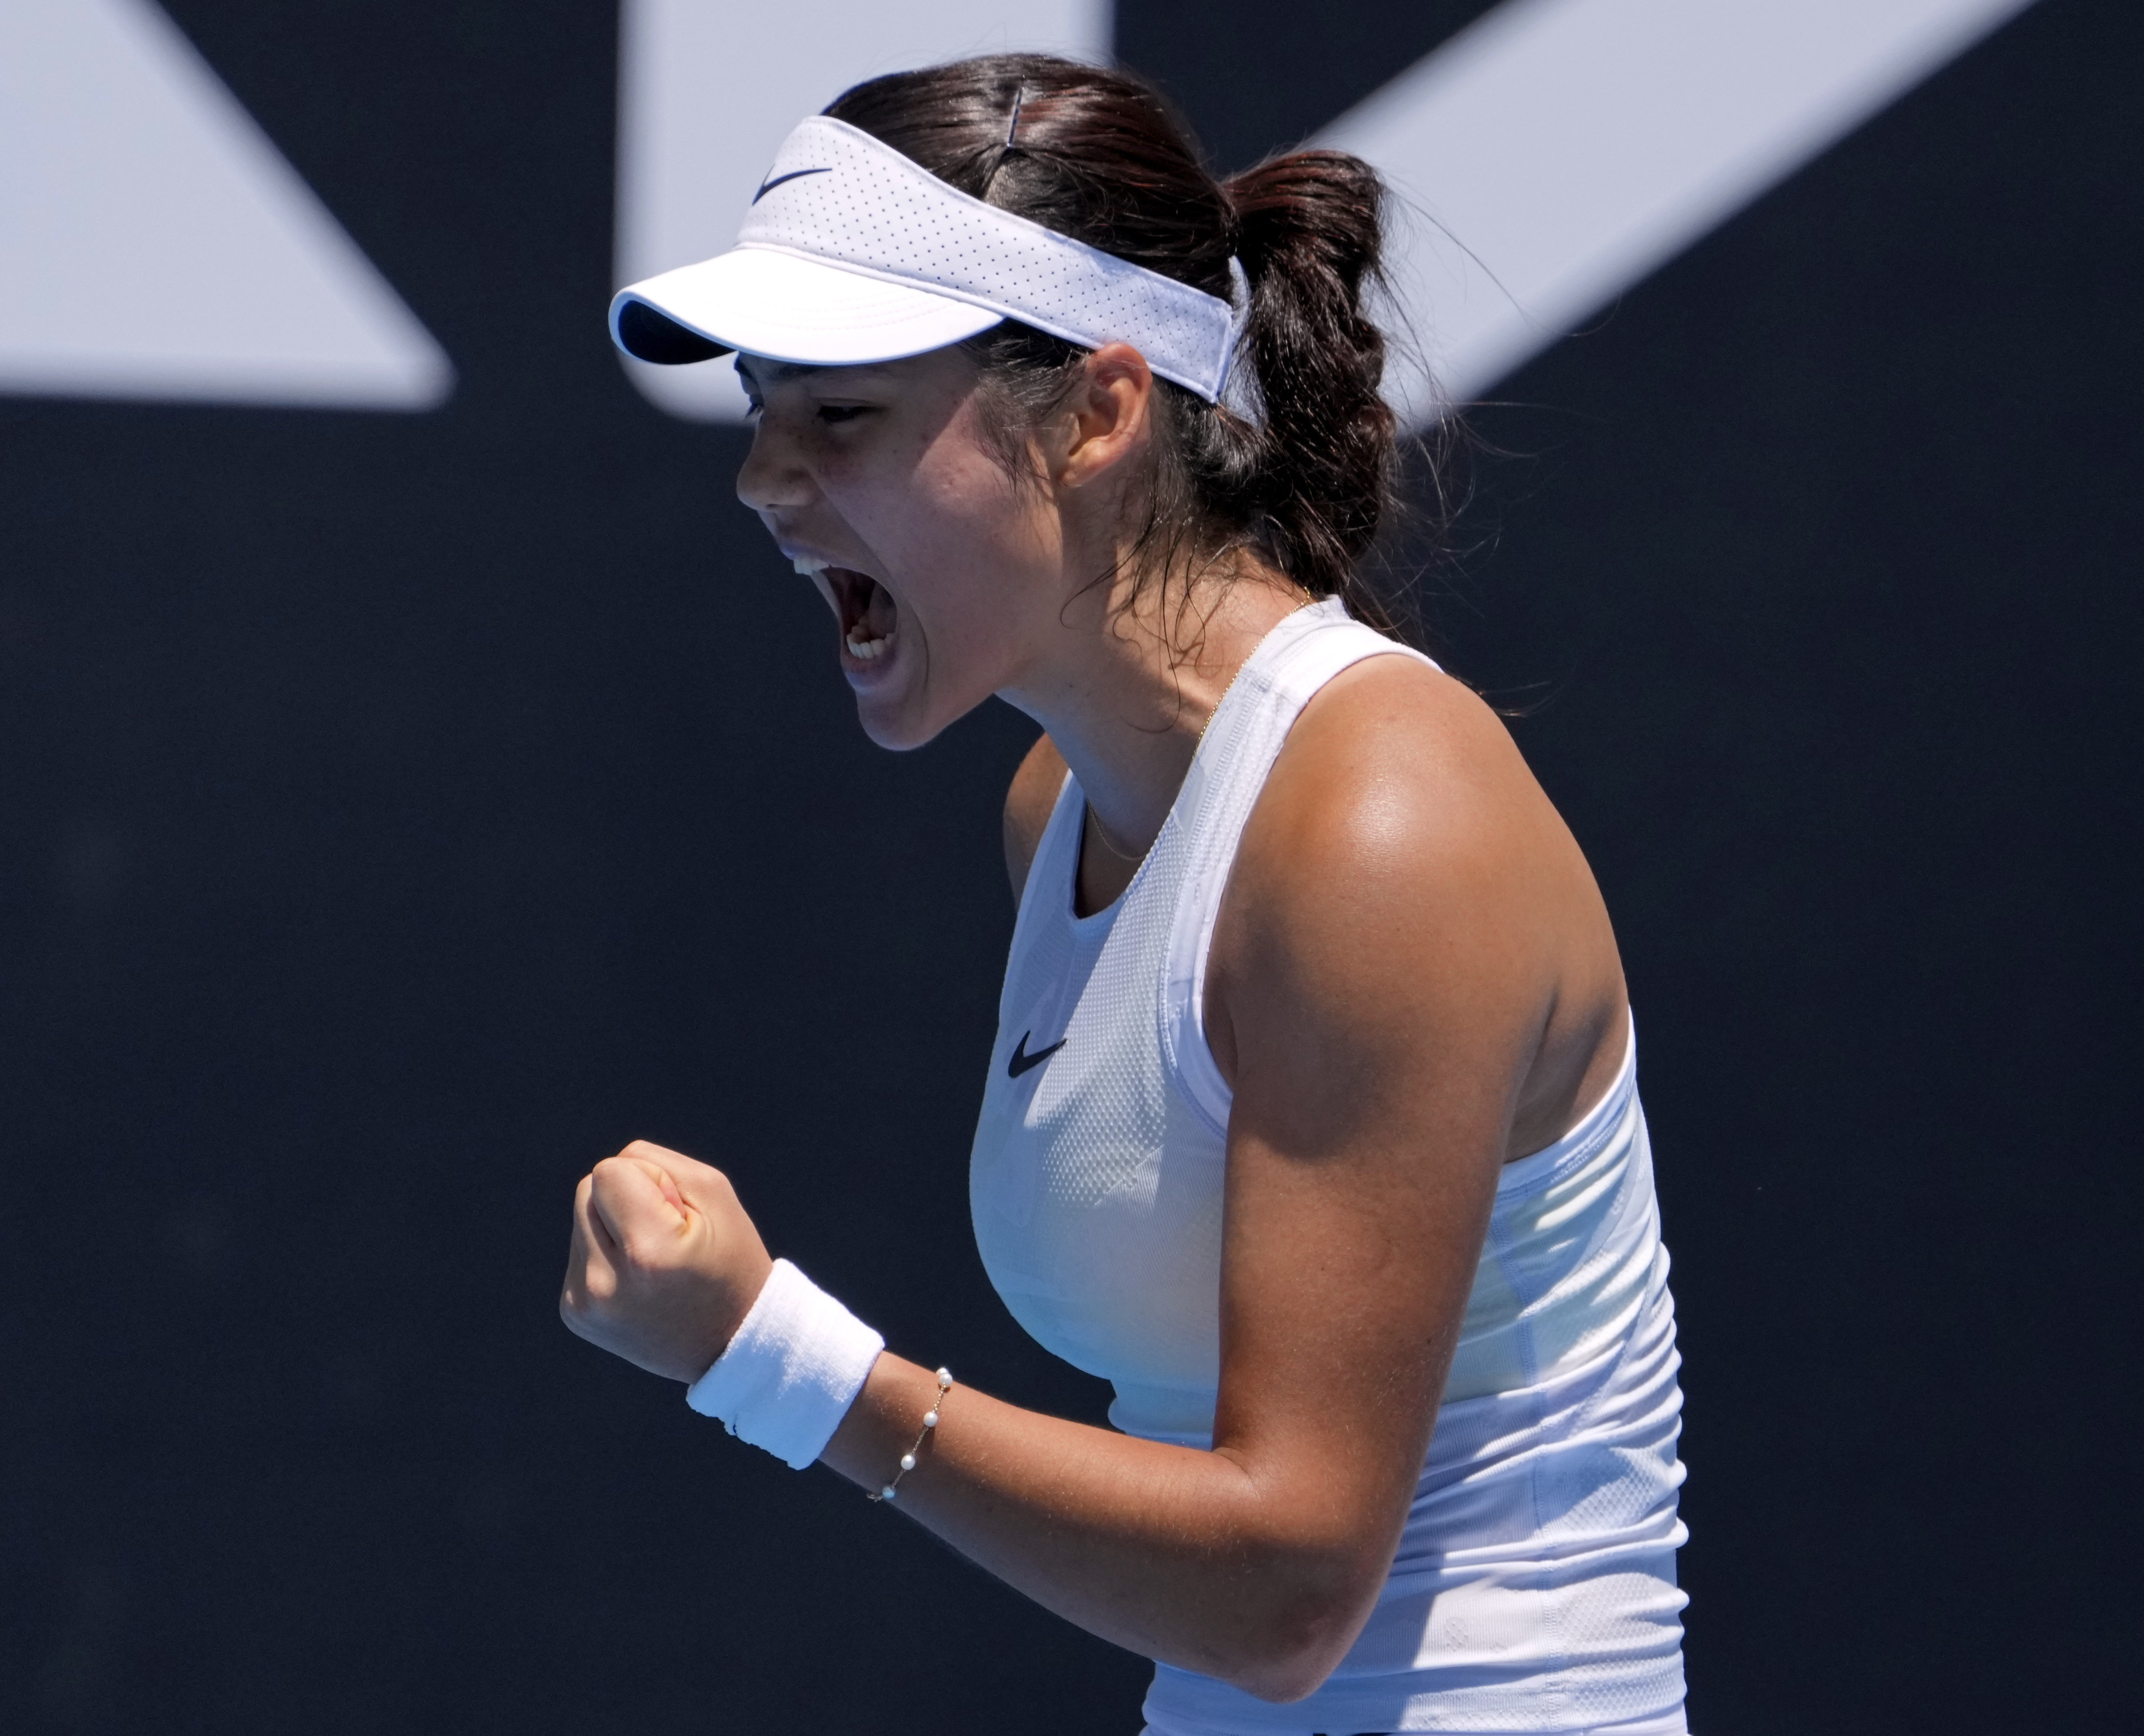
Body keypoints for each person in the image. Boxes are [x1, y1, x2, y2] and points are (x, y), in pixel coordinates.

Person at [563, 53, 1688, 1736]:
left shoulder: (1380, 825)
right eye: (758, 406)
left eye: (840, 413)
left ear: (1096, 410)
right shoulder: (1061, 810)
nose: (762, 477)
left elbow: (1287, 1588)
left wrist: (773, 1358)